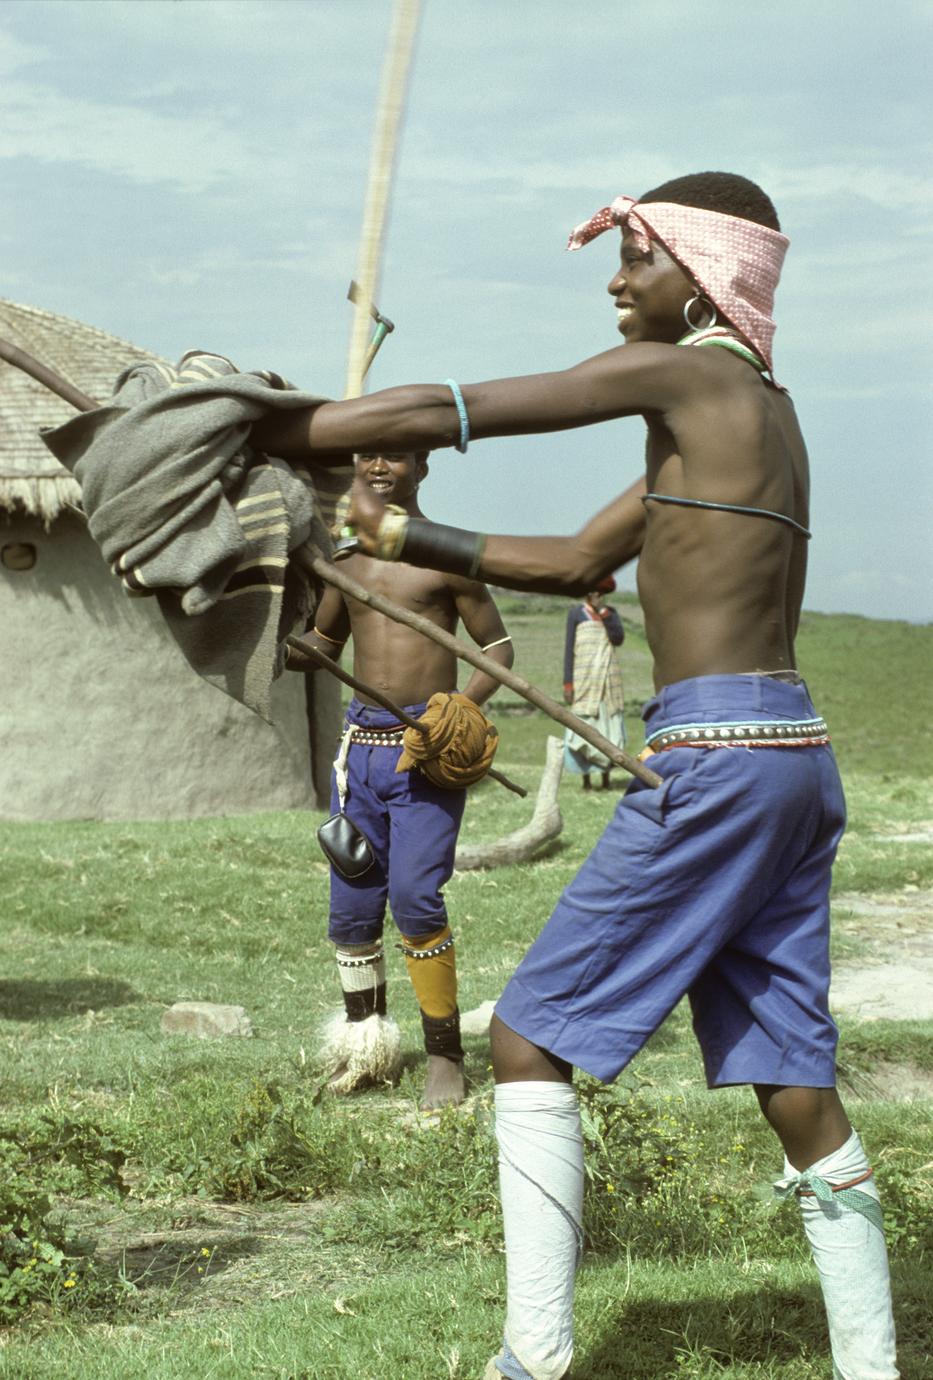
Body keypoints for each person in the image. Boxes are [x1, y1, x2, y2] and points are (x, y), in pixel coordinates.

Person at [252, 172, 898, 1379]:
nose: (617, 280)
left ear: (698, 273)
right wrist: (399, 540)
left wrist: (269, 429)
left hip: (712, 761)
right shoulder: (758, 408)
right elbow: (577, 558)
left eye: (638, 257)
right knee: (793, 1078)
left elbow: (474, 406)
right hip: (791, 762)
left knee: (531, 1041)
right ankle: (870, 1365)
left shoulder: (689, 373)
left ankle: (531, 1362)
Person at [286, 450, 513, 1111]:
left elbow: (496, 649)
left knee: (415, 899)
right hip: (359, 755)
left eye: (397, 454)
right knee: (351, 906)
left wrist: (457, 712)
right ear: (355, 468)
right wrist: (272, 642)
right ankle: (365, 1048)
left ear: (421, 468)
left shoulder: (442, 555)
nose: (381, 464)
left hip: (425, 754)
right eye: (368, 454)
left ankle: (444, 1057)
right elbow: (323, 647)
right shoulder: (345, 559)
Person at [562, 577, 625, 791]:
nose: (598, 597)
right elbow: (569, 649)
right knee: (585, 728)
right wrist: (568, 684)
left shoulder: (611, 614)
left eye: (601, 594)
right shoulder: (576, 614)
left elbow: (618, 638)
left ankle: (606, 778)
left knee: (608, 728)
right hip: (584, 680)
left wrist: (604, 613)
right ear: (588, 595)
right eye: (595, 594)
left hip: (607, 681)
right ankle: (586, 780)